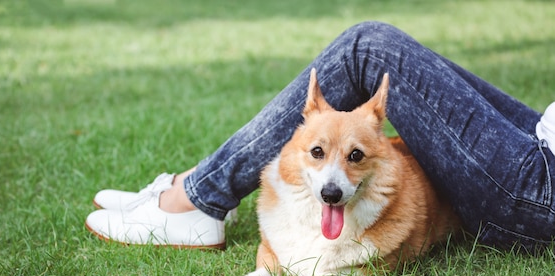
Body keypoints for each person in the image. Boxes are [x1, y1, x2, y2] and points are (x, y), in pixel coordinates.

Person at [86, 21, 555, 252]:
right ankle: (191, 188)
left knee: (367, 47)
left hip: (543, 185)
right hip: (541, 134)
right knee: (379, 58)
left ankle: (194, 199)